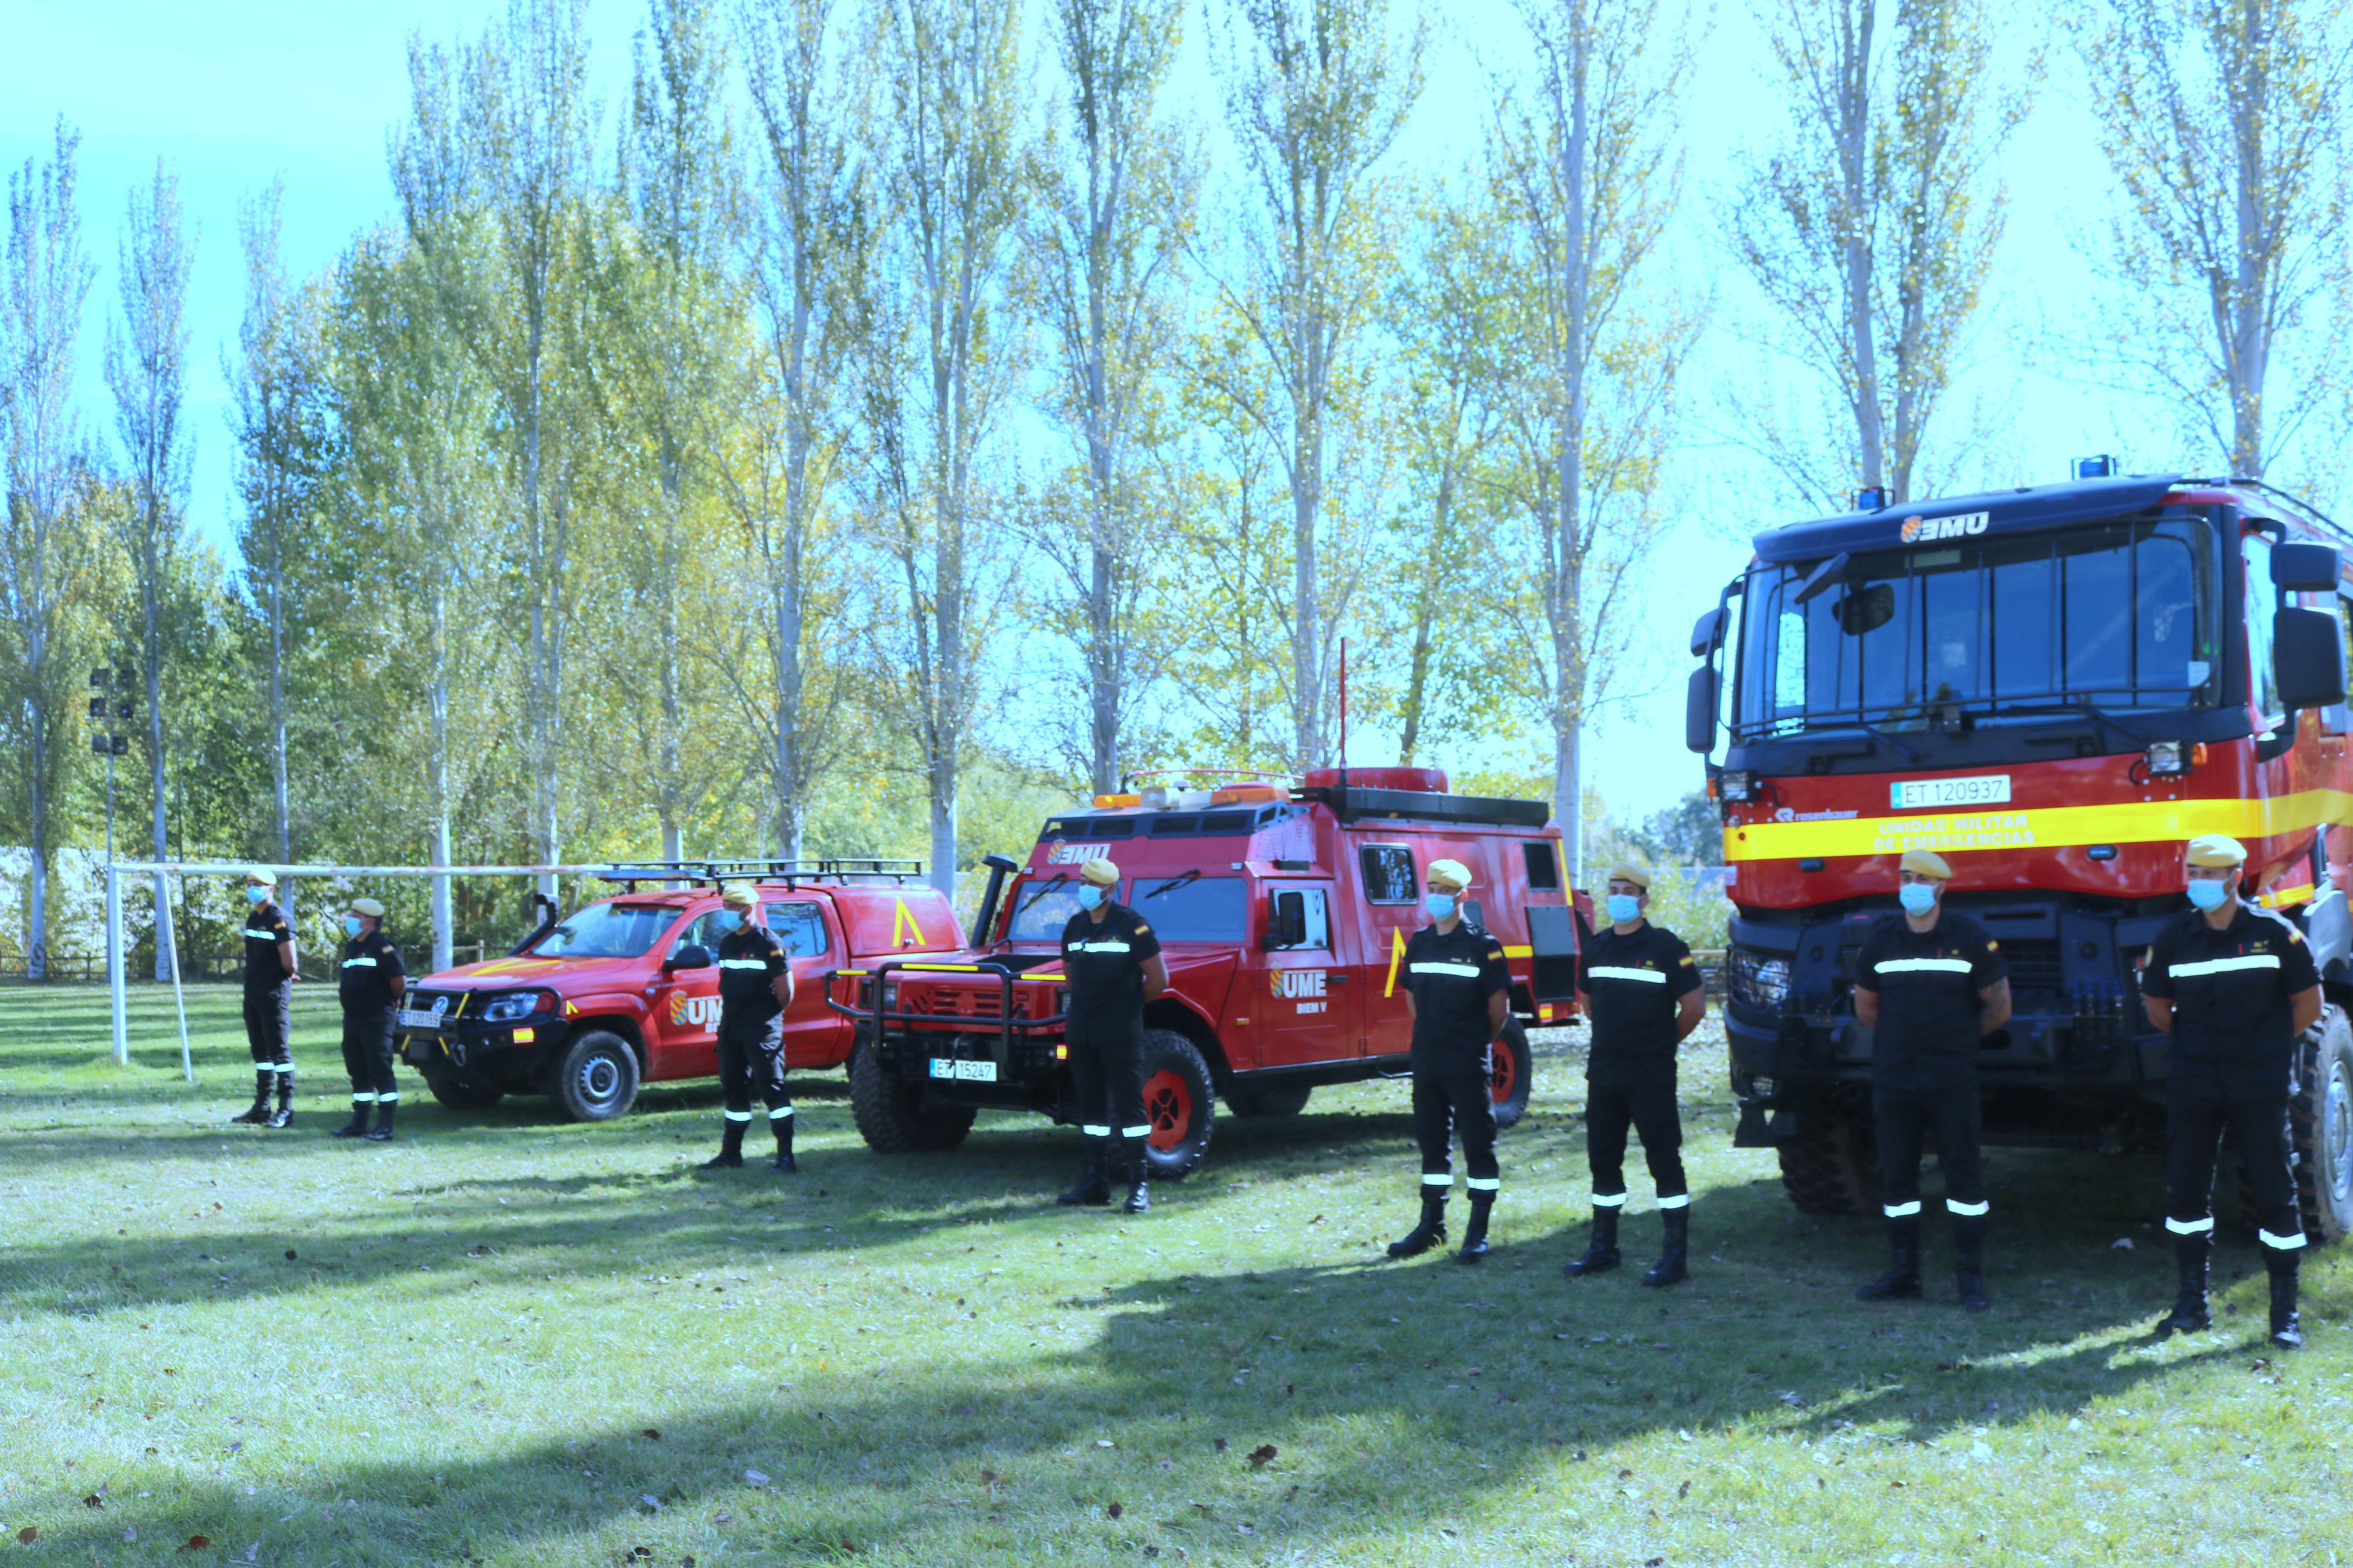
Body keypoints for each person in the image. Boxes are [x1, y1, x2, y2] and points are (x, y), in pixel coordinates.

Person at [2140, 834, 2321, 1348]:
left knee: (2274, 1194)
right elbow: (2158, 1008)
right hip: (2194, 1083)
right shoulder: (2174, 936)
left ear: (2234, 877)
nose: (2197, 881)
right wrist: (2203, 1047)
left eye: (2209, 873)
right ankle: (2191, 1306)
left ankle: (2284, 1315)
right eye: (2192, 871)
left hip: (2257, 1084)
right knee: (2186, 1190)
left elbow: (2307, 1004)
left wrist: (2260, 1046)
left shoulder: (2274, 933)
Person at [1851, 848, 2011, 1309]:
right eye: (1905, 876)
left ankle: (1969, 1279)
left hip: (1951, 1078)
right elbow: (1867, 1007)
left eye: (1921, 878)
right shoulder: (1882, 941)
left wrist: (1955, 1041)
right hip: (1895, 1078)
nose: (1911, 885)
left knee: (1962, 1177)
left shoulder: (1969, 938)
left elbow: (1998, 1008)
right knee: (1898, 1176)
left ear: (1941, 886)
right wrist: (1907, 1043)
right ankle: (1904, 1274)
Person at [1563, 864, 1708, 1286]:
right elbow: (1587, 1001)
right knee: (1602, 1161)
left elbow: (1694, 1008)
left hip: (1650, 1075)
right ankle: (1603, 1248)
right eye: (1613, 890)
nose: (1620, 897)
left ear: (1644, 899)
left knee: (1663, 1161)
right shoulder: (1596, 947)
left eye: (1628, 890)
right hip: (1605, 1074)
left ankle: (1673, 1257)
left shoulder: (1665, 947)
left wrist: (1661, 1045)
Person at [1388, 857, 1511, 1264]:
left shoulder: (1483, 946)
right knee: (1432, 1145)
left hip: (1467, 1060)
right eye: (1433, 889)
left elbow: (1499, 1011)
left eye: (1445, 891)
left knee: (1478, 1144)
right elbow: (1412, 999)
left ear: (1462, 896)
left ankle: (1477, 1229)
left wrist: (1474, 1041)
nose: (1437, 897)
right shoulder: (1419, 942)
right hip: (1427, 1060)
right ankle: (1431, 1224)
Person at [1055, 858, 1167, 1214]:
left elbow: (1160, 980)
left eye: (1090, 882)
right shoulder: (1075, 927)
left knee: (1129, 1109)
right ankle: (1096, 1183)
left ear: (1108, 889)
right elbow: (1071, 978)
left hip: (1120, 1033)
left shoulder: (1132, 926)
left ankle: (1139, 1185)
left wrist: (1127, 1006)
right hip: (1082, 1032)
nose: (1083, 887)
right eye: (1082, 880)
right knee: (1091, 1110)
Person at [701, 883, 798, 1174]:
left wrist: (765, 1019)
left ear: (748, 910)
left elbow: (786, 992)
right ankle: (731, 1153)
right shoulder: (728, 942)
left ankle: (785, 1156)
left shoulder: (769, 944)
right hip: (732, 1026)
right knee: (733, 1089)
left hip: (762, 1028)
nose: (727, 912)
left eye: (732, 907)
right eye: (725, 906)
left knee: (772, 1090)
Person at [332, 898, 408, 1142]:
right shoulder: (352, 946)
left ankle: (385, 1125)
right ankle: (360, 1122)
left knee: (380, 1070)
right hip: (353, 1018)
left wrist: (385, 1001)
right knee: (358, 1070)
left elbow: (399, 983)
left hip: (377, 1018)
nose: (350, 919)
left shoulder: (383, 947)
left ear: (370, 921)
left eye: (355, 915)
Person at [232, 868, 299, 1129]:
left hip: (273, 994)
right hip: (253, 993)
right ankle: (261, 1107)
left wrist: (284, 975)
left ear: (271, 889)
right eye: (249, 884)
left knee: (278, 1052)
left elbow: (290, 964)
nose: (252, 889)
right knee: (260, 1053)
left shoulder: (279, 919)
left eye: (258, 885)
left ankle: (285, 1109)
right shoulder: (253, 918)